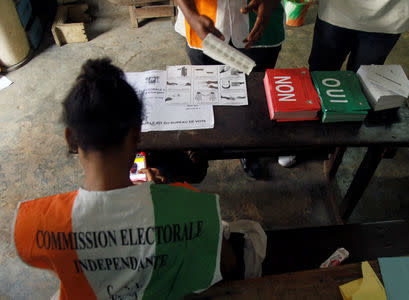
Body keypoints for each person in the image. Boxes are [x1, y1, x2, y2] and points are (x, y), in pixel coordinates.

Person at [12, 59, 265, 300]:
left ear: (70, 138)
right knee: (253, 234)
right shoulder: (188, 203)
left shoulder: (35, 222)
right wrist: (163, 198)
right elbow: (229, 263)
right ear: (137, 135)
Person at [279, 0, 409, 167]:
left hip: (389, 14)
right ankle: (305, 138)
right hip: (339, 10)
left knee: (359, 88)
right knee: (319, 77)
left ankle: (338, 143)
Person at [174, 0, 285, 178]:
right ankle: (204, 145)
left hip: (261, 23)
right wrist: (191, 16)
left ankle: (248, 149)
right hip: (201, 21)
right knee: (205, 92)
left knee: (256, 98)